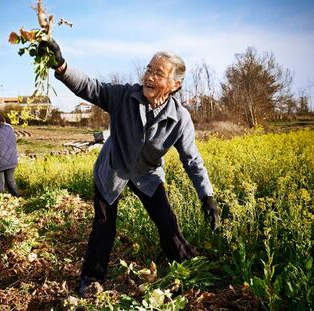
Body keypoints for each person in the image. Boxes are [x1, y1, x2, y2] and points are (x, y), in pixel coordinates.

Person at [39, 39, 219, 296]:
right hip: (112, 170)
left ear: (175, 84)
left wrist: (207, 196)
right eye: (148, 69)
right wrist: (61, 66)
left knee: (167, 221)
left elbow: (192, 160)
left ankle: (185, 265)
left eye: (159, 73)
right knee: (104, 225)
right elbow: (91, 88)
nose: (149, 76)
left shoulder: (180, 119)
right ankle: (91, 278)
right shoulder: (124, 96)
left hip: (147, 174)